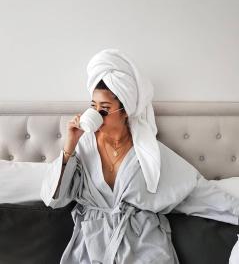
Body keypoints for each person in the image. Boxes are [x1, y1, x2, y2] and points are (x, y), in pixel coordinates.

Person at [40, 49, 239, 264]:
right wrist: (69, 145)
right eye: (93, 107)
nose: (96, 114)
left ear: (125, 111)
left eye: (104, 110)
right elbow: (54, 198)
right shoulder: (83, 147)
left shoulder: (148, 153)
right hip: (91, 245)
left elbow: (195, 191)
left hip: (142, 245)